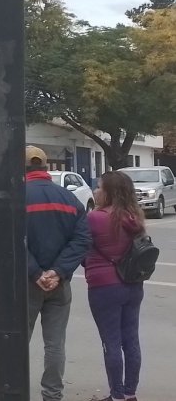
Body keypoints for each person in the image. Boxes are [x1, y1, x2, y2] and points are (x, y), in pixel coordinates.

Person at [25, 145, 91, 401]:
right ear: (46, 168)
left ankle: (14, 389)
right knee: (55, 344)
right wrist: (58, 271)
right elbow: (82, 240)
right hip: (59, 285)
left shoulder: (17, 198)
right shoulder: (69, 199)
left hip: (27, 284)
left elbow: (11, 241)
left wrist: (35, 272)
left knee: (18, 340)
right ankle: (52, 395)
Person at [85, 171, 146, 401]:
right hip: (133, 284)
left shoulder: (95, 218)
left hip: (104, 287)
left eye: (100, 187)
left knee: (110, 341)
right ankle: (130, 393)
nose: (96, 191)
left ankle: (117, 395)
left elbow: (83, 248)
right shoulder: (134, 217)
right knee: (131, 340)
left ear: (109, 192)